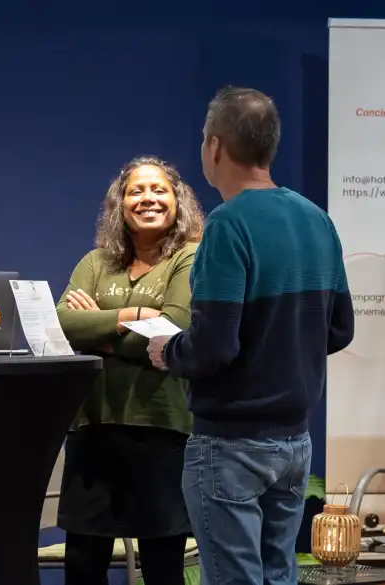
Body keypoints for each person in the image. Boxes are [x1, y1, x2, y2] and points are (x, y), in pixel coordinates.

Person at [146, 87, 354, 585]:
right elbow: (341, 329)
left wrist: (168, 350)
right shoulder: (316, 220)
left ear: (214, 147)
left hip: (229, 445)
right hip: (294, 444)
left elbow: (215, 345)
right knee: (277, 575)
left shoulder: (226, 225)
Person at [55, 155, 205, 585]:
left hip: (160, 427)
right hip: (93, 427)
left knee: (161, 568)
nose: (148, 198)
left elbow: (174, 329)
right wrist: (133, 315)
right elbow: (61, 324)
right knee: (82, 566)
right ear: (120, 205)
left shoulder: (188, 258)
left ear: (177, 200)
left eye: (159, 189)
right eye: (136, 191)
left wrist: (99, 327)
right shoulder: (96, 262)